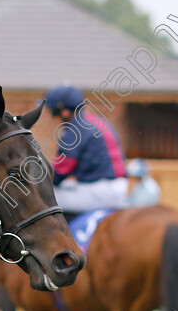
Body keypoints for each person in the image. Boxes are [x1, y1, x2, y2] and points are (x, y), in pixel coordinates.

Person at [44, 84, 128, 217]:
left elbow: (59, 174)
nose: (53, 117)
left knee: (43, 197)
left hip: (99, 191)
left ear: (64, 111)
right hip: (118, 187)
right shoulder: (97, 120)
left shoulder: (74, 131)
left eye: (53, 112)